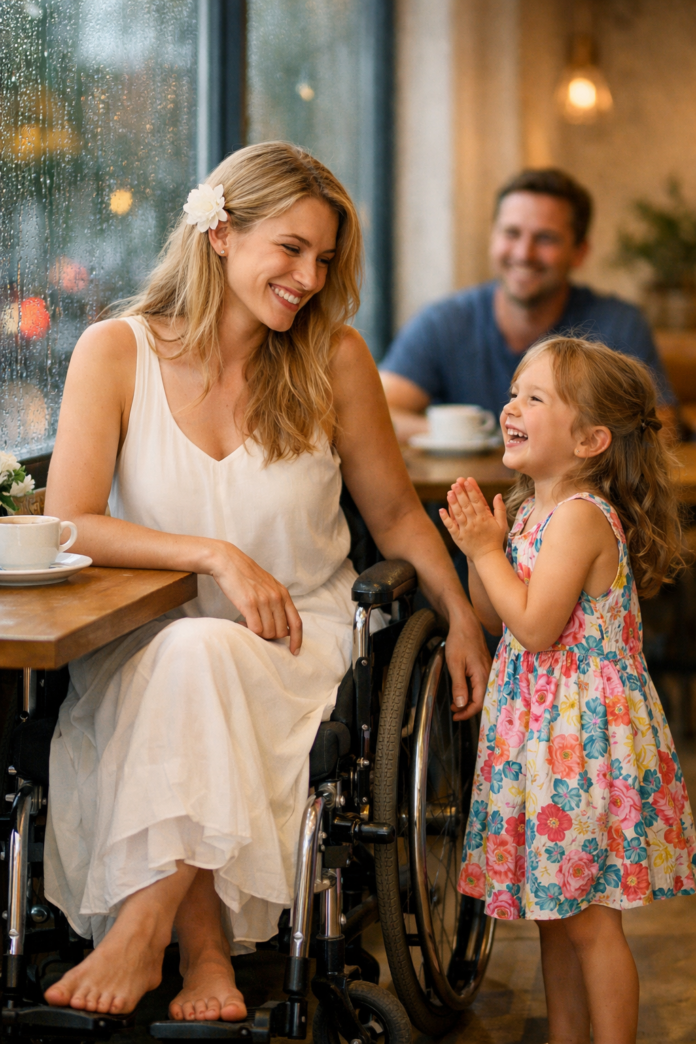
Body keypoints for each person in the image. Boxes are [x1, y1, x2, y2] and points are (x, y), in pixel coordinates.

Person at [42, 142, 491, 1020]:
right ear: (220, 233)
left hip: (299, 651)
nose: (308, 277)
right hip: (138, 651)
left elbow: (398, 517)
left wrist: (461, 613)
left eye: (323, 259)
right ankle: (204, 951)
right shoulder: (114, 351)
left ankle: (147, 937)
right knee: (190, 651)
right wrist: (215, 555)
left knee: (201, 654)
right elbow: (71, 524)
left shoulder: (334, 359)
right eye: (289, 249)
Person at [441, 336, 695, 1044]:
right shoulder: (529, 511)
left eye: (535, 397)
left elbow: (536, 628)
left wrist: (487, 552)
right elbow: (495, 613)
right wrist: (481, 550)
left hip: (581, 747)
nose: (511, 405)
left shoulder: (582, 517)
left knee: (590, 927)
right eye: (515, 391)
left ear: (590, 439)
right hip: (541, 739)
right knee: (556, 918)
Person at [380, 169, 676, 443]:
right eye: (511, 233)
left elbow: (661, 427)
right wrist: (474, 436)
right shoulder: (443, 322)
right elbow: (377, 412)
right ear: (492, 237)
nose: (524, 253)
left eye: (545, 238)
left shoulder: (619, 324)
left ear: (580, 252)